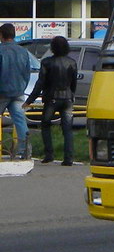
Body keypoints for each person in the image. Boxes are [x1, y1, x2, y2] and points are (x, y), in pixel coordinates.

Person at [23, 35, 77, 165]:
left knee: (45, 125)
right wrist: (72, 95)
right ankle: (68, 158)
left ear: (52, 48)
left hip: (51, 99)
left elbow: (40, 83)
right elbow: (73, 83)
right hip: (68, 98)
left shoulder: (47, 62)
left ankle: (49, 154)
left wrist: (29, 101)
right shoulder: (72, 62)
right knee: (67, 129)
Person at [0, 22, 32, 160]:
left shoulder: (1, 51)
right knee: (20, 120)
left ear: (1, 35)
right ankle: (24, 150)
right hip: (18, 91)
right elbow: (27, 72)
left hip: (2, 92)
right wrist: (22, 87)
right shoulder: (23, 51)